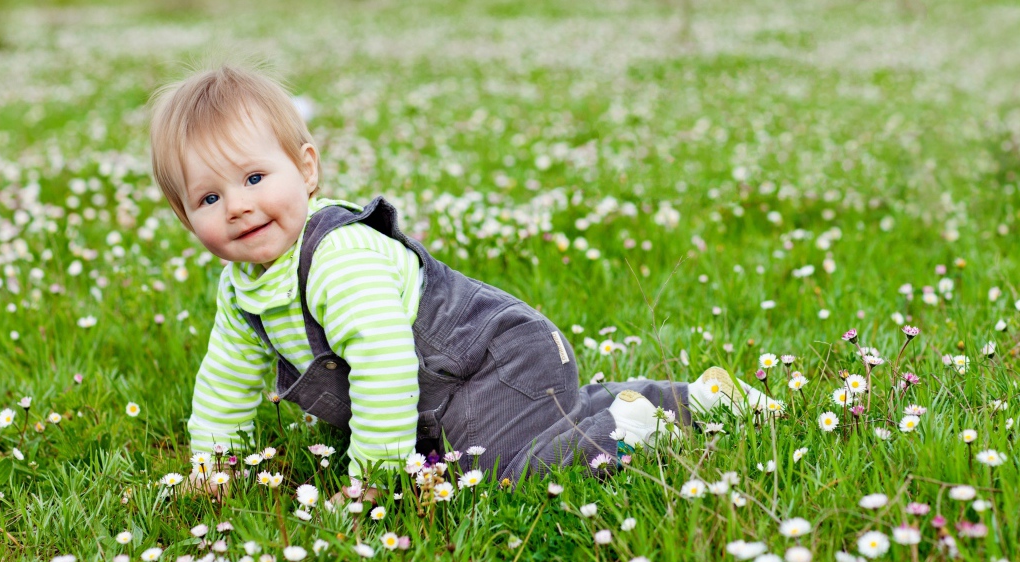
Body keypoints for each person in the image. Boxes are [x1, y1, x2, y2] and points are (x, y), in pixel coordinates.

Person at [148, 64, 766, 494]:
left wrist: (374, 479)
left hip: (495, 360)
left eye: (254, 178)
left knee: (505, 470)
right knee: (492, 444)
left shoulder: (338, 258)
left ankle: (636, 426)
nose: (238, 206)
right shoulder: (242, 290)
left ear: (306, 169)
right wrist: (212, 467)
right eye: (209, 197)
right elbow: (226, 381)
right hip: (445, 395)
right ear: (185, 217)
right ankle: (691, 398)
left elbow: (386, 363)